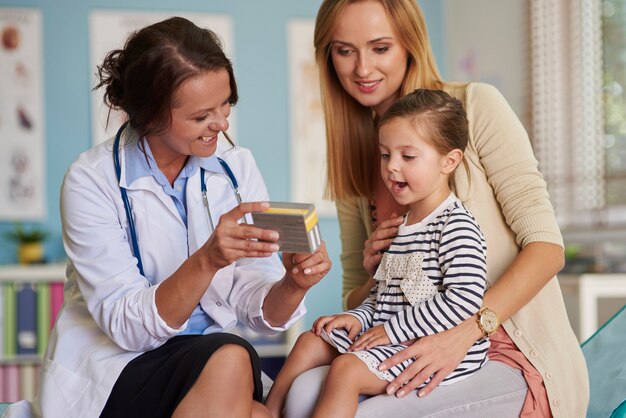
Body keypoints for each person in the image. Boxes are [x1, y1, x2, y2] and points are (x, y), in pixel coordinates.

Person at [4, 17, 330, 418]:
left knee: (244, 384)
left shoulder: (236, 167)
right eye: (201, 116)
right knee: (231, 358)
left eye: (226, 104)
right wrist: (207, 260)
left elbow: (257, 309)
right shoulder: (91, 180)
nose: (222, 124)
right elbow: (127, 327)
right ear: (150, 114)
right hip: (120, 367)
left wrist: (292, 285)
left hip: (208, 364)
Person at [283, 1, 588, 417]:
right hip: (406, 340)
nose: (362, 68)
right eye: (344, 50)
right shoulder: (359, 160)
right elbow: (362, 295)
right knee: (302, 394)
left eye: (380, 47)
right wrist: (376, 271)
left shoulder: (475, 106)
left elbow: (547, 248)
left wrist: (464, 333)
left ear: (409, 45)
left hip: (502, 348)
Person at [266, 89, 489, 418]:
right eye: (385, 155)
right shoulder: (400, 226)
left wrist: (390, 331)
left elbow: (464, 300)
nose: (391, 167)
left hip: (432, 346)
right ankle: (267, 412)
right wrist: (357, 318)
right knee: (311, 341)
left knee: (347, 369)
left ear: (449, 161)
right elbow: (385, 296)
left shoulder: (456, 227)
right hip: (394, 335)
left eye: (407, 157)